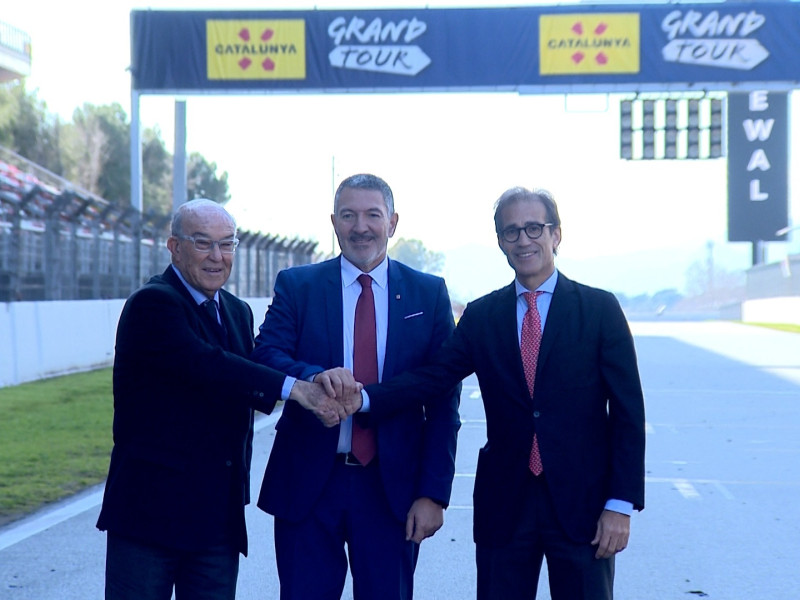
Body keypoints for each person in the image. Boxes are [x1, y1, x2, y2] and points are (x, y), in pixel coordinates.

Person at [364, 187, 646, 600]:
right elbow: (433, 378)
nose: (524, 240)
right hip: (505, 505)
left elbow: (627, 414)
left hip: (584, 507)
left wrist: (620, 504)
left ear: (557, 235)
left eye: (534, 228)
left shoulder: (599, 310)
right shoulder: (483, 316)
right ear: (500, 242)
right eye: (511, 231)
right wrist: (366, 398)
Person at [96, 198, 344, 600]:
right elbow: (210, 365)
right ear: (174, 247)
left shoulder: (236, 311)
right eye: (203, 243)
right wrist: (299, 390)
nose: (217, 257)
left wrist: (317, 378)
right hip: (149, 518)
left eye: (227, 244)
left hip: (215, 520)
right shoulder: (153, 304)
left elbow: (255, 366)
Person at [251, 173, 461, 600]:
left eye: (372, 215)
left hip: (391, 489)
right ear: (333, 222)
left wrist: (433, 493)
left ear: (393, 222)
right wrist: (311, 377)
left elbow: (443, 403)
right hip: (310, 484)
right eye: (348, 215)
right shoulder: (299, 285)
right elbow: (265, 354)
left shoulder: (428, 293)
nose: (360, 226)